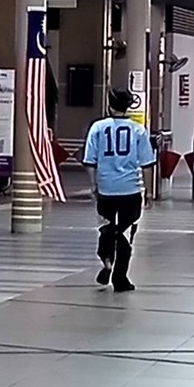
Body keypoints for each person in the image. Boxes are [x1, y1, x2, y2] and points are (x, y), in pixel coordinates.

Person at [84, 85, 156, 291]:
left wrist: (94, 185)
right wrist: (149, 191)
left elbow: (90, 161)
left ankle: (106, 260)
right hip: (130, 190)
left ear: (110, 105)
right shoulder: (139, 130)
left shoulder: (98, 128)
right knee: (125, 233)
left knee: (106, 228)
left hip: (106, 189)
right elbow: (147, 164)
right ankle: (120, 278)